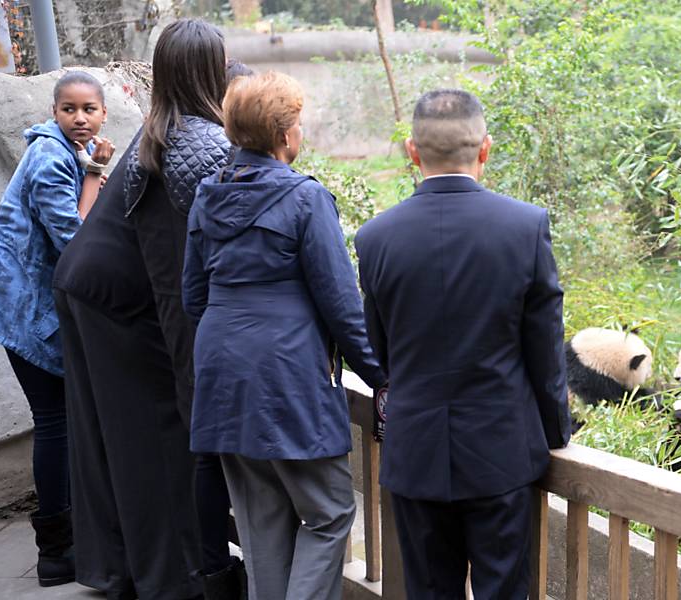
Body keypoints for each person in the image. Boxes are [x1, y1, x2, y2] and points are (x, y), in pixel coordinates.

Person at [354, 89, 572, 600]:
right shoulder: (524, 228)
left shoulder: (375, 238)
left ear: (412, 150)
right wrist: (555, 431)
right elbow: (545, 349)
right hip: (502, 452)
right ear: (485, 149)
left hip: (415, 450)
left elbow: (378, 352)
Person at [182, 70, 386, 600]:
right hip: (287, 372)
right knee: (329, 511)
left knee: (262, 525)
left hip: (223, 369)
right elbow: (341, 304)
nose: (301, 130)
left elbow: (193, 298)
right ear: (284, 133)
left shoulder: (208, 196)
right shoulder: (305, 199)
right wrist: (381, 376)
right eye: (298, 121)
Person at [52, 19, 238, 600]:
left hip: (87, 286)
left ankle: (115, 568)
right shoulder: (203, 145)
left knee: (107, 439)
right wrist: (193, 386)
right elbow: (175, 280)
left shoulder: (162, 126)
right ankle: (172, 580)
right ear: (213, 69)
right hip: (117, 304)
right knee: (156, 441)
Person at [0, 70, 114, 588]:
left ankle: (67, 540)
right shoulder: (52, 156)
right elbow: (75, 237)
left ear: (103, 114)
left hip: (28, 306)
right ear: (54, 113)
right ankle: (56, 551)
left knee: (62, 419)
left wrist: (92, 166)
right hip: (20, 308)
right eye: (69, 109)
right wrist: (96, 169)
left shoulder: (66, 152)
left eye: (88, 110)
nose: (79, 118)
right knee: (54, 421)